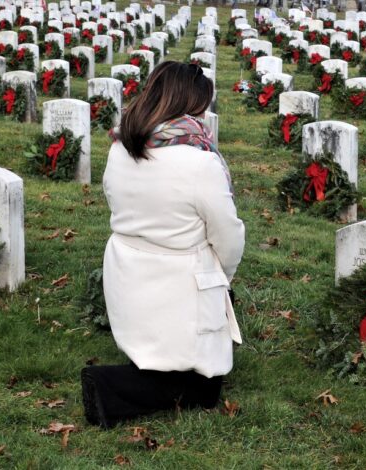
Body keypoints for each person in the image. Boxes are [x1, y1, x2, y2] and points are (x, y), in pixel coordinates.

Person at [81, 62, 245, 429]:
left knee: (170, 364)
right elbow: (228, 238)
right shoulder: (199, 162)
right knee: (206, 390)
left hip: (127, 274)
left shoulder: (121, 147)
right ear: (190, 104)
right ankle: (109, 387)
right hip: (180, 285)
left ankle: (147, 366)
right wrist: (222, 280)